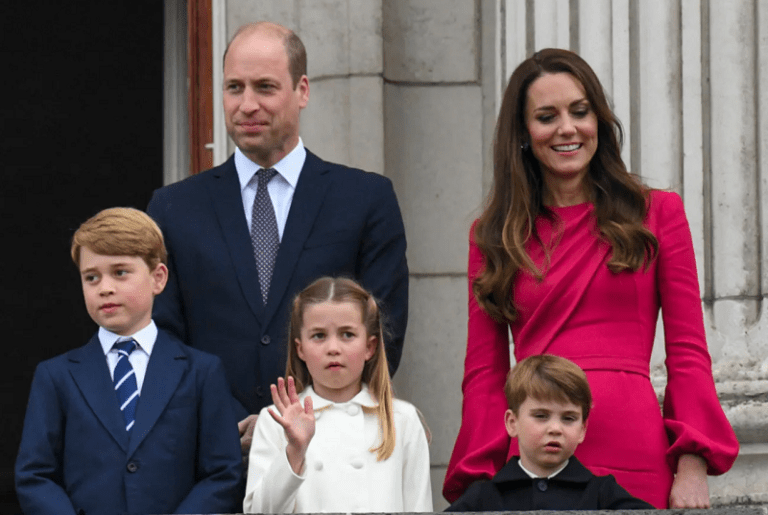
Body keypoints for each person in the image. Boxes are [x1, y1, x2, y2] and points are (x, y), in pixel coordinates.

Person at [443, 48, 739, 509]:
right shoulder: (493, 235)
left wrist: (692, 463)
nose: (567, 128)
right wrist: (482, 478)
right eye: (547, 116)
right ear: (524, 133)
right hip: (535, 457)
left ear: (598, 119)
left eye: (580, 111)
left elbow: (688, 352)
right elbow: (485, 371)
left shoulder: (658, 213)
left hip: (633, 450)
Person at [146, 21, 408, 452]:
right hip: (210, 455)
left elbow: (384, 329)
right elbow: (162, 337)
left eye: (265, 87)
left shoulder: (365, 199)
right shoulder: (173, 208)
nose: (247, 104)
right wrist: (224, 420)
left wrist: (297, 418)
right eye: (234, 87)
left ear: (302, 90)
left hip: (329, 450)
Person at [14, 208, 242, 515]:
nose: (104, 287)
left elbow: (222, 473)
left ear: (158, 278)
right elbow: (34, 475)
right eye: (91, 277)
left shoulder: (201, 371)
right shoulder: (55, 376)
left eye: (120, 272)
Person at [243, 277, 432, 513]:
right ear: (300, 348)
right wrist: (295, 451)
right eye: (319, 336)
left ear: (370, 347)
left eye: (347, 335)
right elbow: (259, 512)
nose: (333, 348)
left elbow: (419, 508)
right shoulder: (275, 420)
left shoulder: (402, 420)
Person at [447, 354, 653, 511]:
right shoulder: (483, 497)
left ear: (582, 429)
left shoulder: (603, 493)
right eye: (541, 416)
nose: (555, 429)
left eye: (568, 418)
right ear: (512, 422)